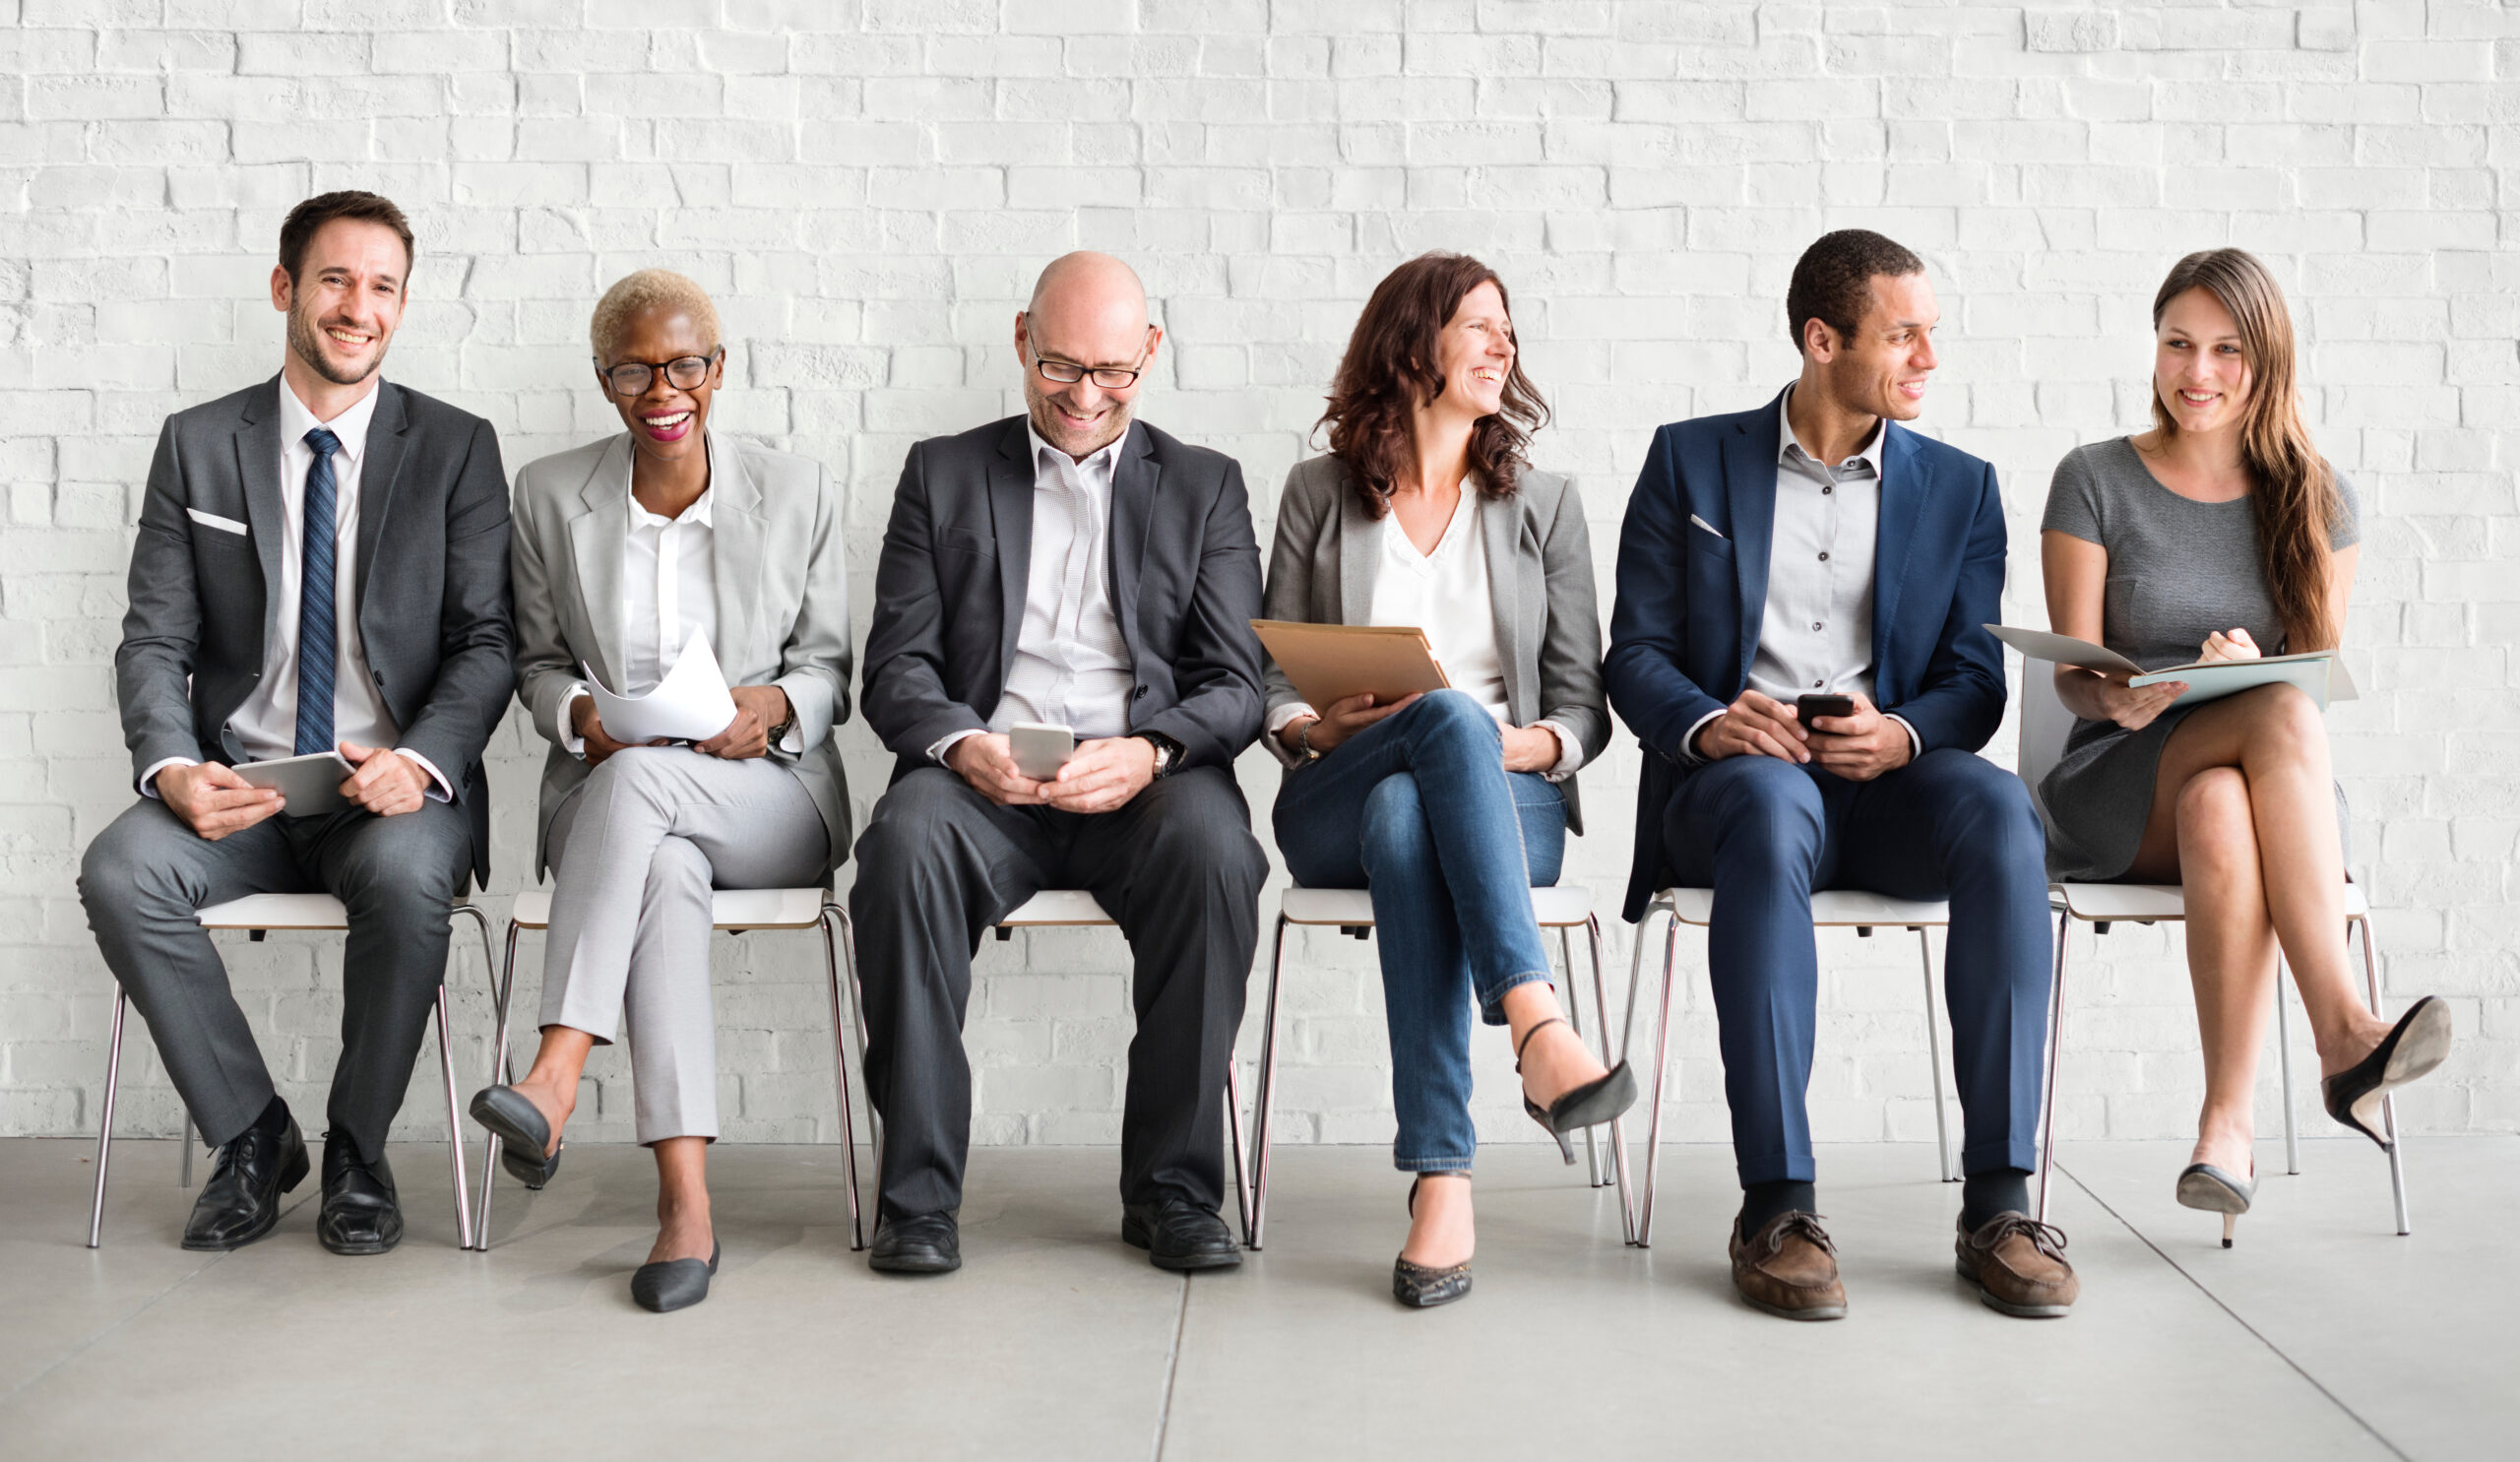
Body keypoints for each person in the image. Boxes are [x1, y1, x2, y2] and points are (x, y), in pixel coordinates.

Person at [1605, 228, 2076, 1320]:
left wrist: (1903, 734)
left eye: (1930, 334)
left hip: (1888, 786)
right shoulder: (1690, 461)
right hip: (1736, 789)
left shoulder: (1962, 488)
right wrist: (1711, 723)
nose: (1926, 358)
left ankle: (2000, 1204)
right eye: (1902, 334)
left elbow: (1972, 678)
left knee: (2002, 809)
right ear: (1822, 341)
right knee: (1771, 808)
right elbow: (1634, 653)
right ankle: (1776, 1203)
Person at [77, 191, 515, 1256]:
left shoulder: (456, 447)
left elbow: (487, 642)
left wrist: (420, 762)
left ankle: (358, 1148)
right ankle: (253, 1135)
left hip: (388, 797)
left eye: (380, 287)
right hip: (247, 789)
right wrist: (171, 766)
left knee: (411, 879)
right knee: (120, 872)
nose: (356, 307)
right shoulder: (199, 445)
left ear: (402, 308)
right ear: (285, 289)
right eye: (334, 279)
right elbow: (153, 642)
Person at [850, 252, 1268, 1277]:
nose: (1085, 397)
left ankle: (1171, 1192)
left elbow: (1239, 681)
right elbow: (896, 668)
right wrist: (963, 745)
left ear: (1152, 353)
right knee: (901, 849)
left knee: (1219, 854)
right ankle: (917, 1200)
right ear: (1020, 340)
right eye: (1060, 367)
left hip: (1145, 776)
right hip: (984, 773)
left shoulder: (1205, 486)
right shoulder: (941, 472)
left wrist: (1150, 749)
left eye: (1114, 373)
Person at [2038, 248, 2452, 1245]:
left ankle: (2224, 1130)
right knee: (2266, 722)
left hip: (2262, 796)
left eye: (2225, 349)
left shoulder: (2316, 496)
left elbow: (2313, 681)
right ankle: (2345, 1033)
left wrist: (2252, 661)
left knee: (2227, 797)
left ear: (2265, 361)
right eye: (2178, 343)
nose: (2197, 371)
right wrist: (2118, 696)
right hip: (2119, 782)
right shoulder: (2094, 479)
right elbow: (2069, 674)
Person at [467, 269, 851, 1312]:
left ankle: (552, 1076)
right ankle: (686, 1206)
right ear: (604, 381)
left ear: (718, 369)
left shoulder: (797, 487)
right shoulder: (550, 495)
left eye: (685, 363)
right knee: (664, 869)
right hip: (619, 808)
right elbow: (538, 664)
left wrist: (769, 706)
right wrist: (577, 717)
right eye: (634, 369)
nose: (662, 387)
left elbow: (830, 669)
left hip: (767, 797)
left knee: (647, 792)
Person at [1261, 252, 1630, 1308]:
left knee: (1416, 801)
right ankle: (1535, 1028)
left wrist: (1515, 744)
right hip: (1337, 780)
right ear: (1409, 342)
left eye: (1507, 328)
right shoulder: (1318, 493)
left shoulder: (1544, 507)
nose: (1500, 344)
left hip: (1504, 801)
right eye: (1476, 324)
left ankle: (1442, 1177)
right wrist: (1310, 722)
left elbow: (1579, 710)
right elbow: (1265, 677)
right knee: (1412, 759)